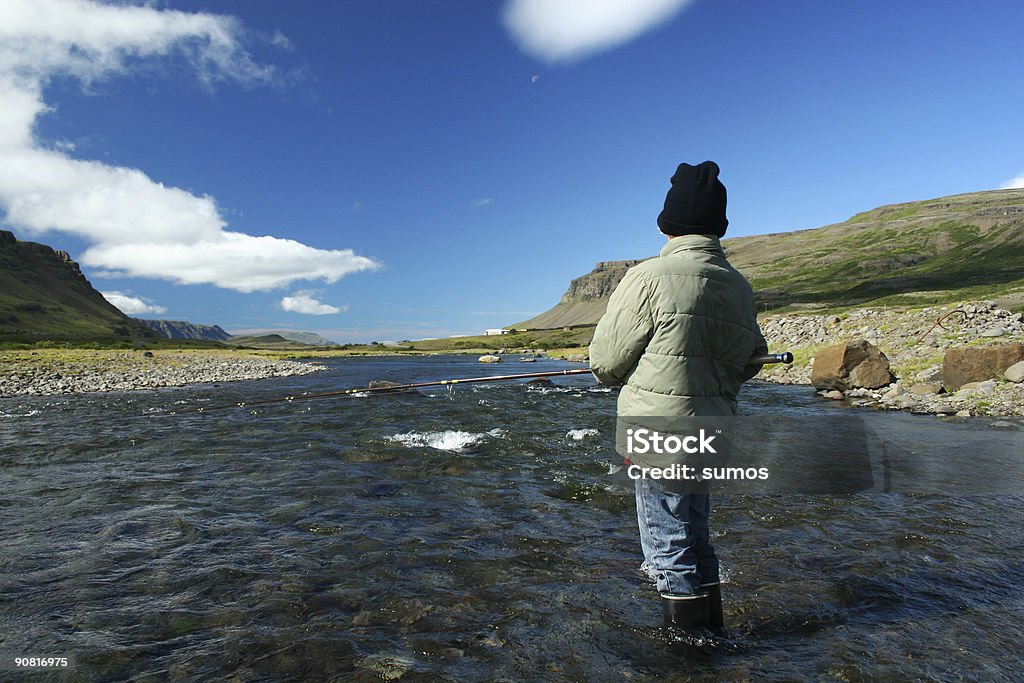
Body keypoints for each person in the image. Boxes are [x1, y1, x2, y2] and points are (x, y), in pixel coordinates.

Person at [589, 161, 767, 630]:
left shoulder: (647, 277)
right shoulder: (739, 285)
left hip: (656, 433)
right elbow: (752, 360)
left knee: (667, 541)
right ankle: (714, 635)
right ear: (718, 226)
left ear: (666, 223)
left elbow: (606, 365)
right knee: (696, 535)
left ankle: (689, 658)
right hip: (713, 434)